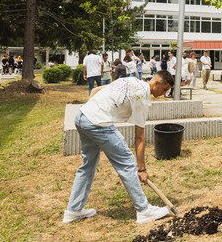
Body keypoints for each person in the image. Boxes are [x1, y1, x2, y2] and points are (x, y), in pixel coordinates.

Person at [63, 71, 175, 224]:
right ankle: (144, 210)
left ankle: (73, 211)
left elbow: (96, 90)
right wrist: (141, 169)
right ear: (156, 83)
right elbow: (139, 138)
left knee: (87, 166)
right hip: (98, 124)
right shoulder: (142, 98)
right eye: (164, 89)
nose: (164, 94)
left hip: (83, 116)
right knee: (128, 163)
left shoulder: (130, 81)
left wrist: (92, 112)